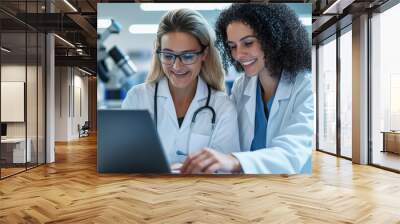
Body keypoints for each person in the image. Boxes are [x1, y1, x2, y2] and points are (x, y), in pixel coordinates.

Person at [181, 3, 314, 174]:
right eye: (232, 46)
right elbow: (228, 141)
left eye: (248, 43)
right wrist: (199, 162)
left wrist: (234, 160)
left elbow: (293, 152)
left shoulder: (305, 86)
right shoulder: (241, 86)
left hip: (292, 191)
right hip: (249, 189)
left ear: (272, 40)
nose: (238, 55)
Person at [122, 8, 240, 168]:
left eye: (188, 56)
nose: (177, 66)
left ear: (204, 54)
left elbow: (225, 169)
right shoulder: (138, 97)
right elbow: (124, 160)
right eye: (168, 56)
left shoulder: (222, 106)